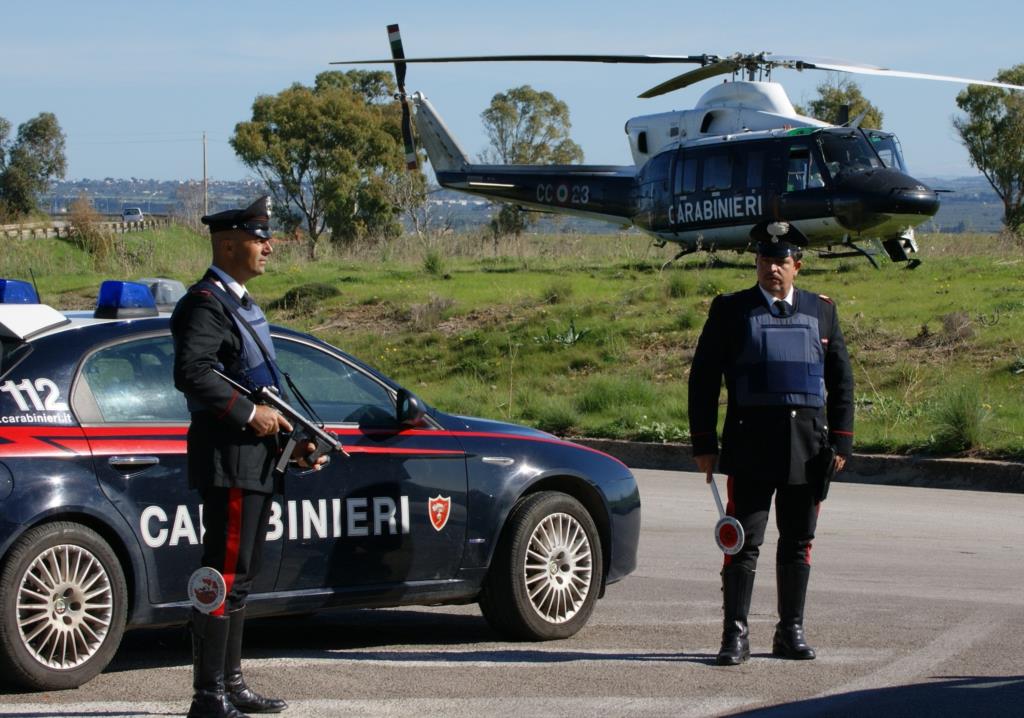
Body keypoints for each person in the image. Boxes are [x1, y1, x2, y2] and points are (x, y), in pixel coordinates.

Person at [172, 196, 324, 718]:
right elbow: (193, 371)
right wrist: (246, 414)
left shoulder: (241, 305)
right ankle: (208, 695)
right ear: (229, 243)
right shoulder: (205, 302)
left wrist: (294, 441)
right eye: (260, 238)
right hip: (230, 458)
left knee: (244, 575)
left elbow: (265, 390)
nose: (269, 246)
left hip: (256, 459)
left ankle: (231, 684)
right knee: (225, 574)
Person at [687, 238, 854, 666]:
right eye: (765, 261)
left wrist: (841, 441)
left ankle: (790, 631)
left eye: (781, 262)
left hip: (807, 448)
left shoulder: (822, 310)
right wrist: (704, 443)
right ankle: (735, 635)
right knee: (742, 543)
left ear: (797, 265)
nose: (772, 270)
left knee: (798, 542)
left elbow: (841, 382)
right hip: (751, 448)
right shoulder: (731, 310)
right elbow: (703, 379)